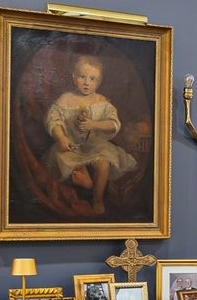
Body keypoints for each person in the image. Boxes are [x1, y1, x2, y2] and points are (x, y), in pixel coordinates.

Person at [45, 55, 136, 214]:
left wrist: (94, 124)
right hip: (71, 144)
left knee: (103, 162)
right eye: (82, 77)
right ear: (74, 77)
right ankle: (86, 182)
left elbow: (114, 124)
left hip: (95, 144)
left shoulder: (101, 101)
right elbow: (53, 120)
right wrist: (61, 137)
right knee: (68, 159)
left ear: (98, 82)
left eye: (92, 79)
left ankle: (97, 199)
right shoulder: (65, 99)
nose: (87, 82)